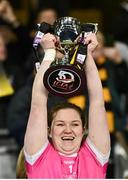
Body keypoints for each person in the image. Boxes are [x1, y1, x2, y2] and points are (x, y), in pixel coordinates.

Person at [23, 24, 110, 178]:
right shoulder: (38, 157)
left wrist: (87, 54)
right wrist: (49, 53)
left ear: (84, 130)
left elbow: (97, 103)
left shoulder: (96, 156)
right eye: (60, 124)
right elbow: (38, 104)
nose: (68, 130)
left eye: (75, 124)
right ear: (48, 130)